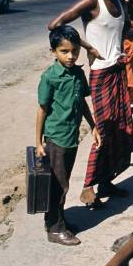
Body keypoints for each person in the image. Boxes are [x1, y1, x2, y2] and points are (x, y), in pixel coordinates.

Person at [48, 0, 133, 208]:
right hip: (101, 75)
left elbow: (116, 31)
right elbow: (55, 24)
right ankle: (88, 186)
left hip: (118, 71)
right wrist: (86, 46)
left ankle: (107, 181)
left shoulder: (121, 2)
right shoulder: (92, 1)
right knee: (104, 129)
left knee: (121, 129)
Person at [35, 26, 102, 245]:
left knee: (62, 182)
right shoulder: (50, 77)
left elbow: (81, 102)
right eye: (64, 51)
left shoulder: (77, 74)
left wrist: (93, 126)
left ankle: (57, 220)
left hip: (71, 137)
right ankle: (55, 229)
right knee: (59, 184)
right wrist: (38, 143)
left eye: (74, 51)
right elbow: (42, 109)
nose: (71, 56)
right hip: (56, 138)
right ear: (53, 51)